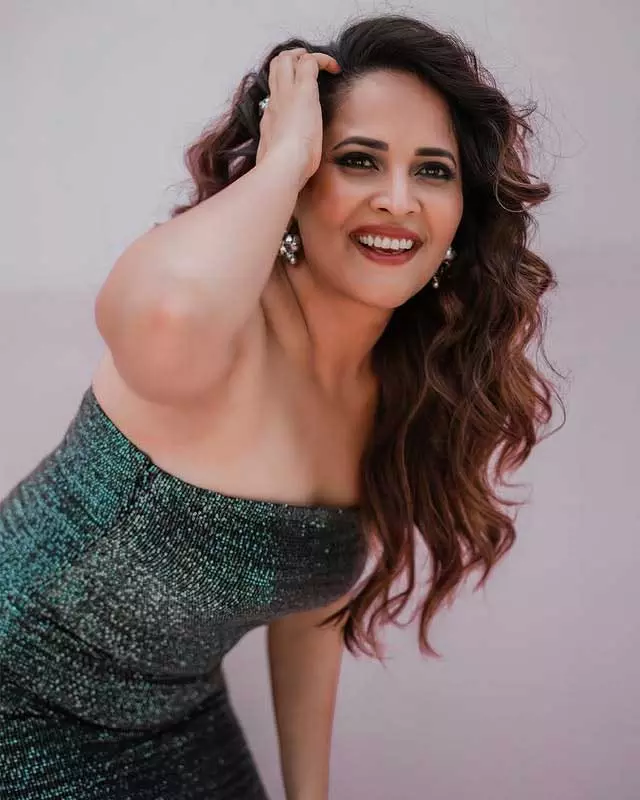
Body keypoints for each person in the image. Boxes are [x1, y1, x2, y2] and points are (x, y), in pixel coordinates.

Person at [0, 12, 565, 799]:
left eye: (432, 171)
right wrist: (283, 159)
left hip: (178, 716)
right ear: (298, 183)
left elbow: (311, 605)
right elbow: (160, 319)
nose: (397, 199)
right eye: (358, 160)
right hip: (17, 702)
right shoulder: (218, 324)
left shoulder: (394, 388)